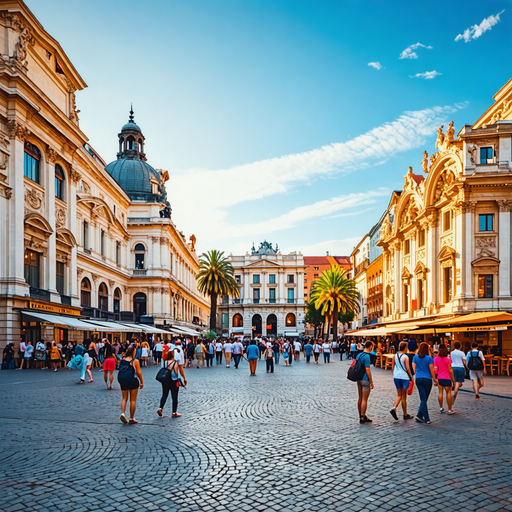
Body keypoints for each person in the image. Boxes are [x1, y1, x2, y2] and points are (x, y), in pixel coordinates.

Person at [157, 346, 187, 418]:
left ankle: (160, 408)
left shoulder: (164, 362)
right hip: (173, 380)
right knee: (174, 396)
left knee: (164, 394)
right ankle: (174, 412)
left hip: (165, 380)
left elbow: (162, 369)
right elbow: (176, 372)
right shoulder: (175, 362)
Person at [118, 344, 144, 424]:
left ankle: (122, 413)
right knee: (133, 400)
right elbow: (139, 372)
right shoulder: (135, 361)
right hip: (132, 379)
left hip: (122, 379)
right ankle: (131, 418)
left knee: (124, 398)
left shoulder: (122, 360)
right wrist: (142, 382)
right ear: (133, 353)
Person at [412, 342, 437, 424]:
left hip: (418, 379)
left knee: (423, 398)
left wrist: (416, 373)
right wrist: (435, 379)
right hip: (427, 379)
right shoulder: (429, 358)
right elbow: (431, 369)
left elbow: (413, 367)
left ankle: (419, 416)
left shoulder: (415, 357)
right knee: (424, 399)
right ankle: (427, 418)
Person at [390, 341, 414, 421]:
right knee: (404, 397)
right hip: (404, 377)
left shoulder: (395, 355)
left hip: (396, 377)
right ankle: (405, 414)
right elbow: (407, 368)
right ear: (405, 348)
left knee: (399, 395)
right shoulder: (405, 357)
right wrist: (410, 376)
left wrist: (395, 373)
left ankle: (394, 408)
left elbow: (393, 365)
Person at [434, 344, 455, 414]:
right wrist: (453, 380)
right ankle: (450, 409)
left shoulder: (435, 359)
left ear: (439, 350)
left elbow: (435, 370)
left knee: (440, 393)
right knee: (448, 393)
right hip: (447, 378)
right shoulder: (448, 359)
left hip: (439, 377)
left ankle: (441, 408)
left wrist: (435, 379)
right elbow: (450, 370)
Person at [356, 341, 374, 424]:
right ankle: (363, 417)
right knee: (364, 399)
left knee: (360, 398)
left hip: (358, 378)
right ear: (370, 346)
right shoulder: (367, 356)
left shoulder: (359, 355)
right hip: (365, 379)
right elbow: (367, 369)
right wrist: (371, 381)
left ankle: (360, 414)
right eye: (372, 346)